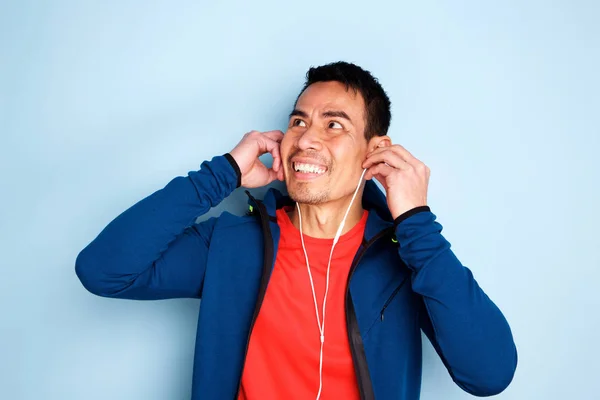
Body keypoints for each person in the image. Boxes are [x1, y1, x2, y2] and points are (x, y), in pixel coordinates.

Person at [75, 61, 517, 400]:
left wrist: (416, 221)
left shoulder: (407, 255)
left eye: (334, 124)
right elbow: (103, 271)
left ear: (376, 151)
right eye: (299, 121)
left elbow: (488, 373)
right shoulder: (231, 244)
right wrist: (222, 174)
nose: (306, 139)